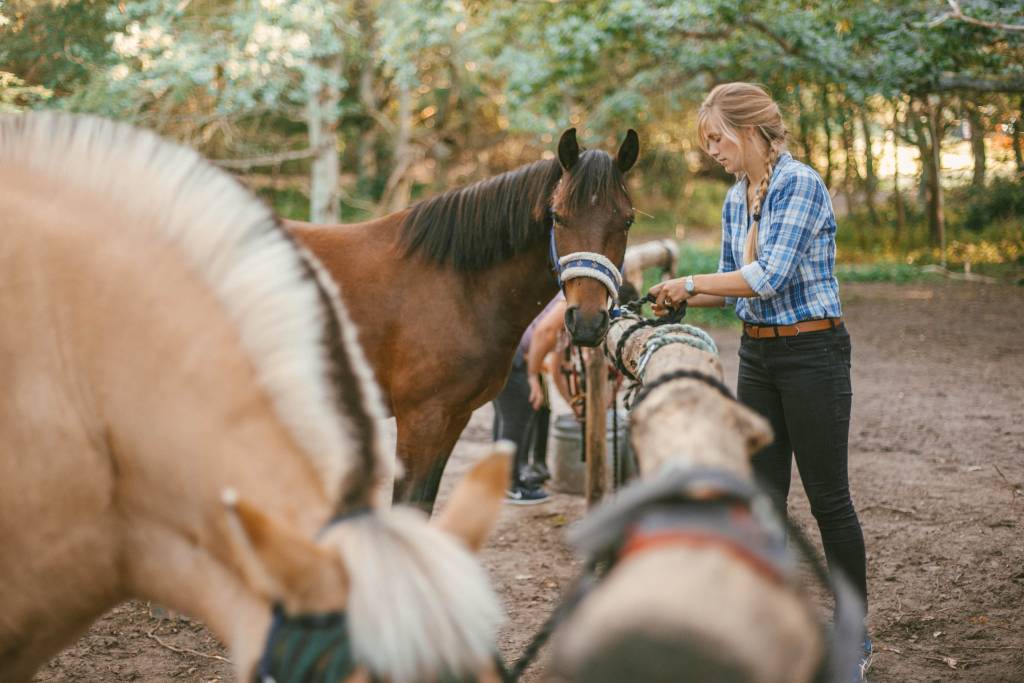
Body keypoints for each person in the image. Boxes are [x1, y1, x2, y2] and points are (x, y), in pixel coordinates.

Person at [648, 82, 871, 677]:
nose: (712, 152)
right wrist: (675, 300)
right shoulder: (734, 198)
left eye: (717, 139)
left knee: (828, 500)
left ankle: (853, 639)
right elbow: (732, 287)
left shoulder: (801, 184)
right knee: (764, 500)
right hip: (759, 357)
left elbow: (767, 276)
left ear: (748, 133)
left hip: (812, 354)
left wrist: (691, 283)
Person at [493, 294, 567, 504]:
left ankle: (503, 478)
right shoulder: (568, 300)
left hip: (508, 345)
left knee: (506, 414)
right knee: (519, 409)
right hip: (512, 350)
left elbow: (557, 363)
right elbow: (544, 332)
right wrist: (532, 376)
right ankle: (509, 485)